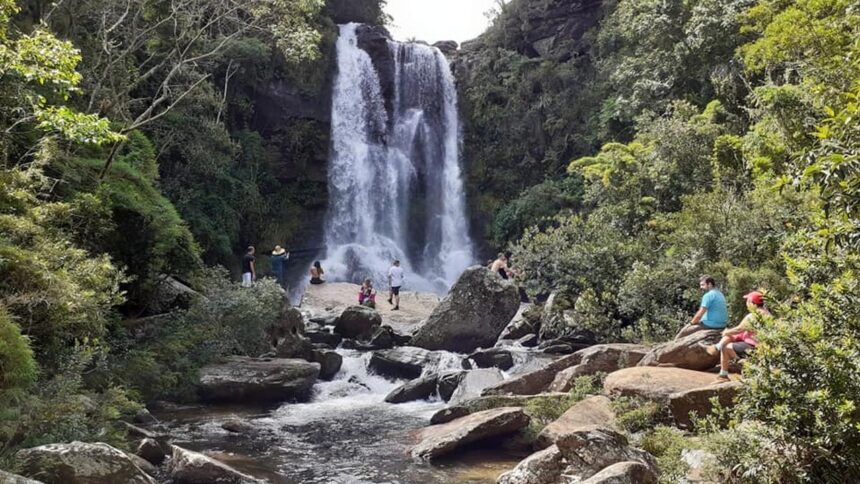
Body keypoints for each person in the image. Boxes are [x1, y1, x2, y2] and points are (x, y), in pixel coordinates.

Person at [707, 291, 770, 382]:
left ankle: (723, 375)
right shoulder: (767, 313)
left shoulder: (753, 315)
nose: (746, 303)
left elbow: (739, 329)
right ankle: (718, 347)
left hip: (754, 347)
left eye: (747, 301)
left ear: (751, 302)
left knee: (726, 348)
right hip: (762, 347)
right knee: (731, 337)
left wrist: (726, 332)